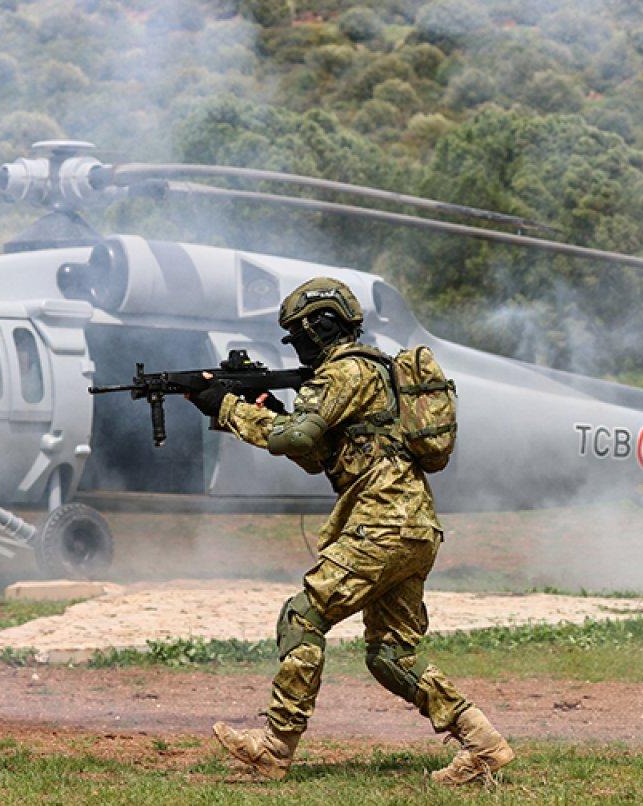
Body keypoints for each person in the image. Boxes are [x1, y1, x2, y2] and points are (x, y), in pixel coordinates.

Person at [187, 277, 514, 786]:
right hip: (413, 526)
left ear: (321, 327)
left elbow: (297, 437)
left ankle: (273, 750)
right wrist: (264, 409)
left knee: (302, 616)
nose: (296, 345)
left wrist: (227, 408)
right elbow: (318, 454)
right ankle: (484, 744)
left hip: (381, 522)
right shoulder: (371, 372)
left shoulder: (344, 371)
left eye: (299, 334)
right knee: (391, 657)